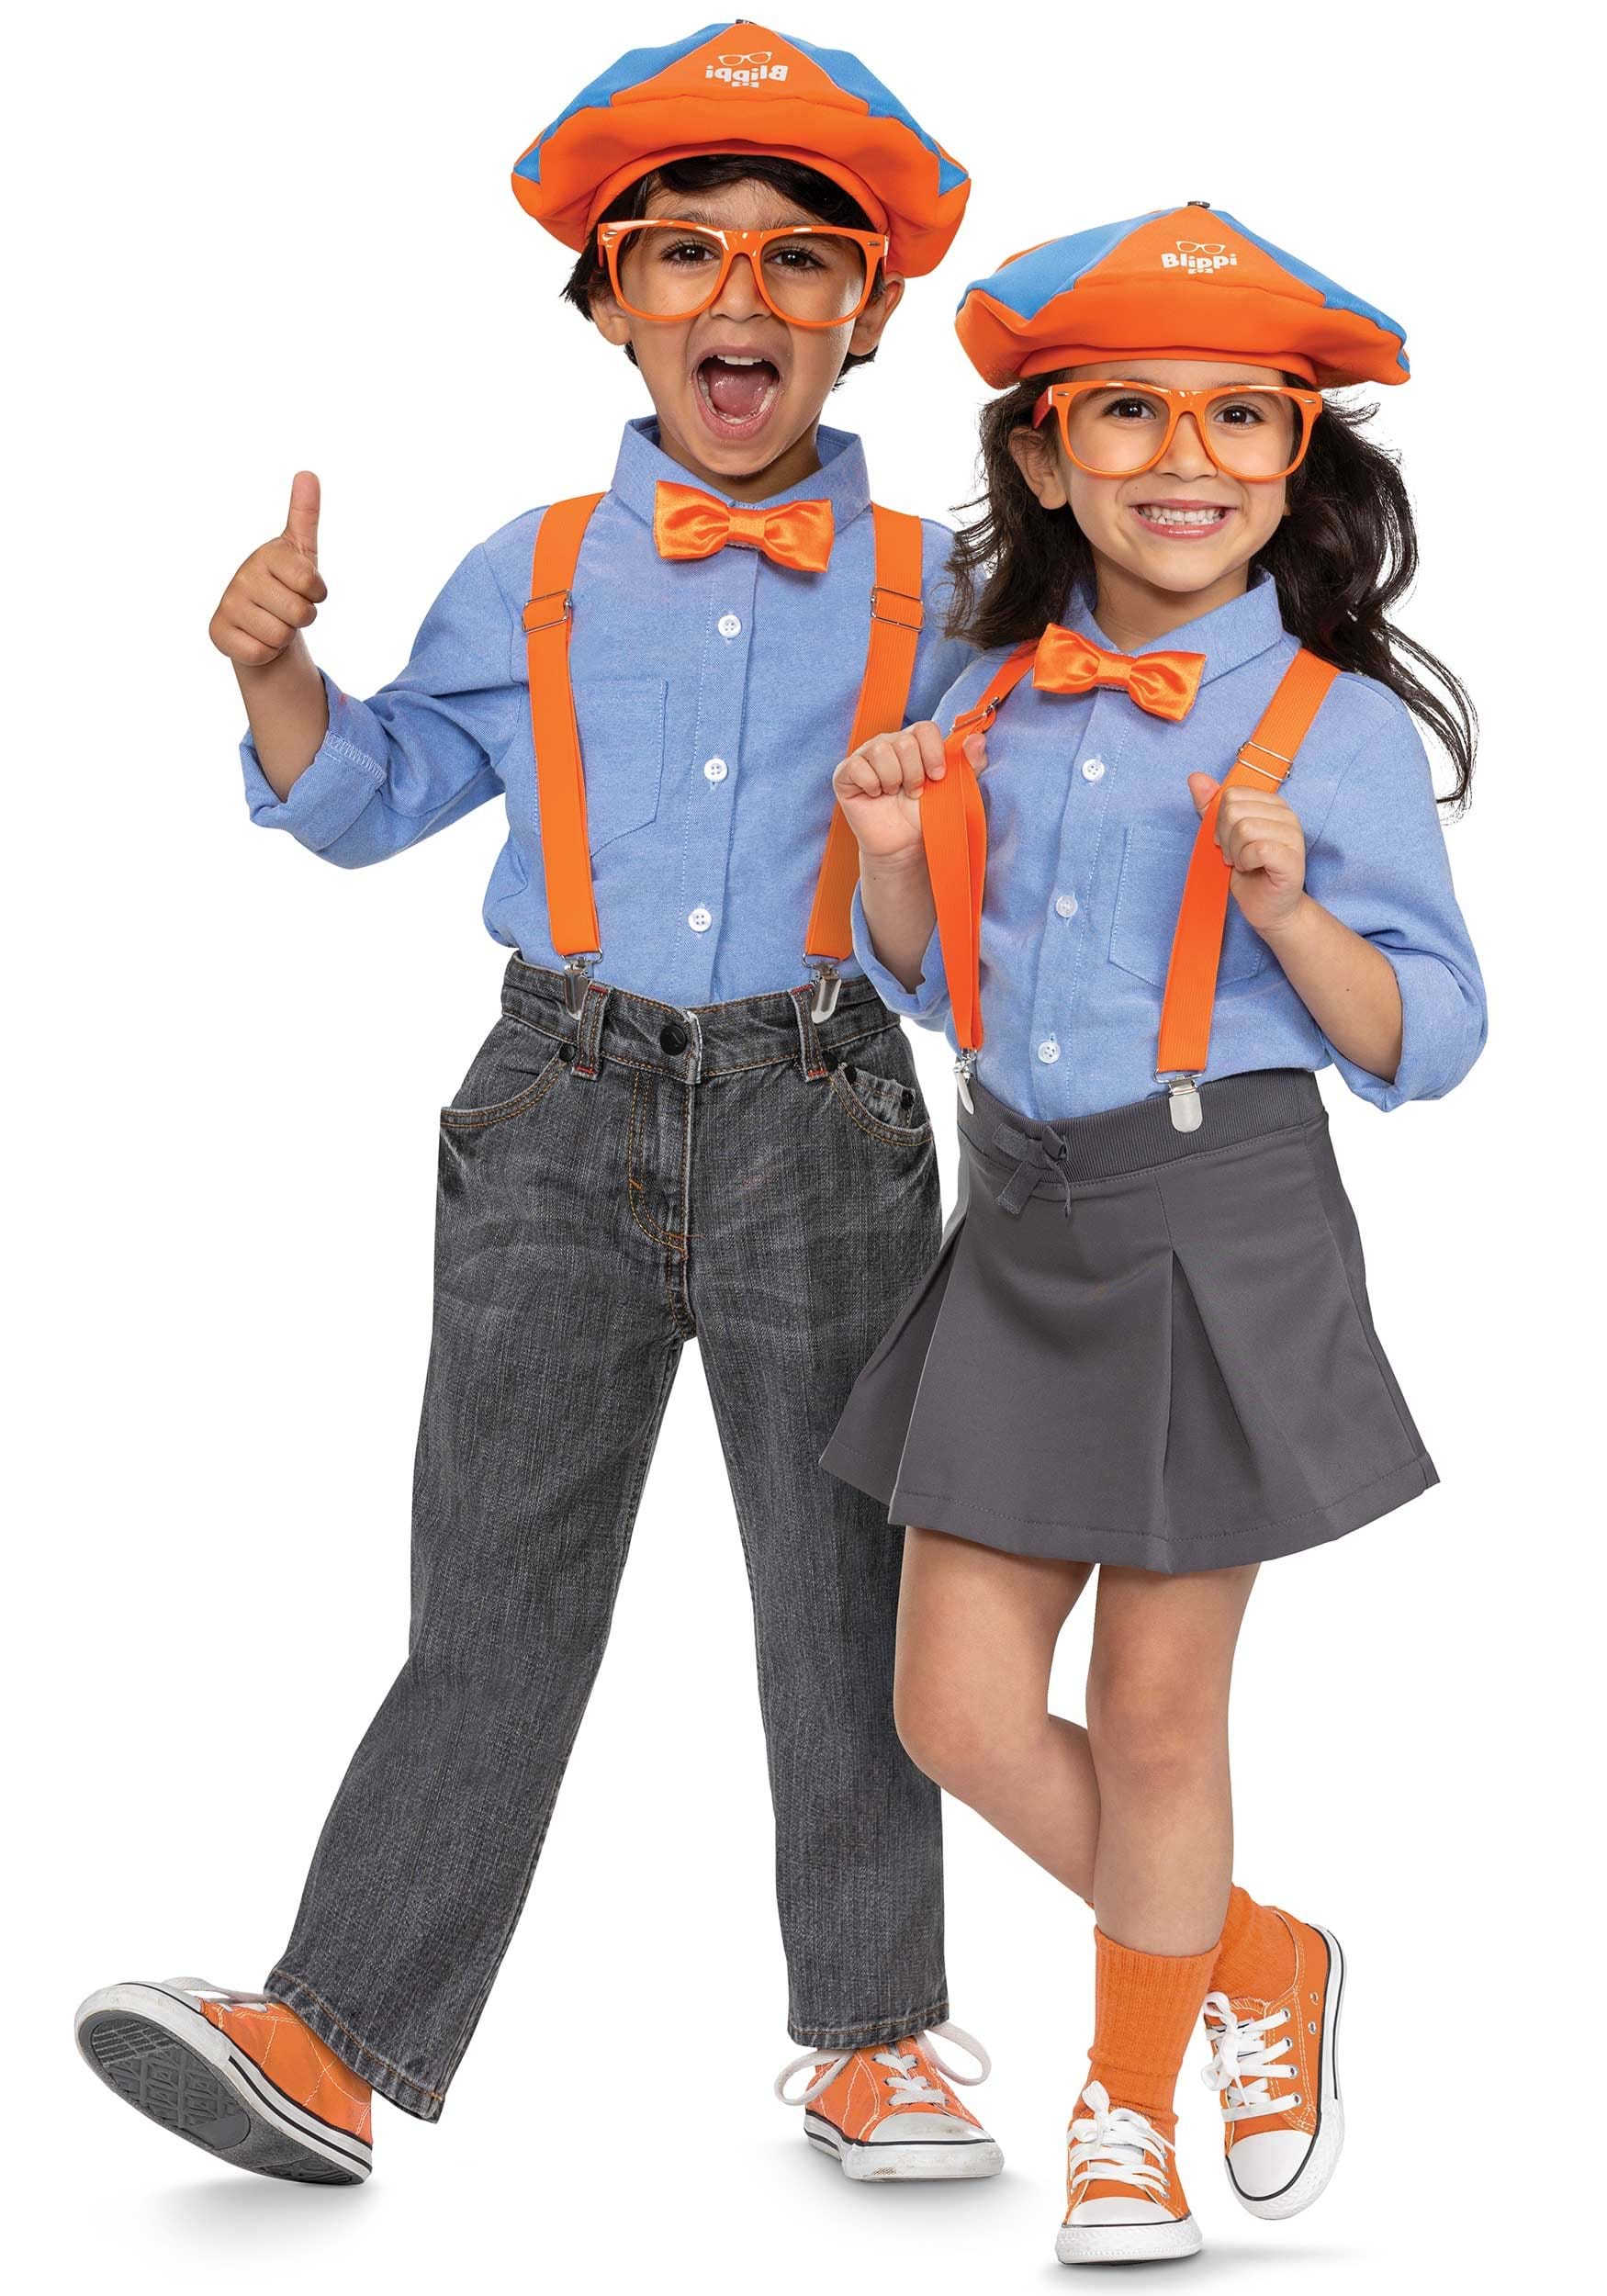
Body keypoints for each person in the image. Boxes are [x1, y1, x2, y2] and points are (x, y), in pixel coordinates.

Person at [74, 22, 1003, 2189]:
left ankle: (877, 2035)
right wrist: (274, 675)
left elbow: (961, 927)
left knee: (844, 1588)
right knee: (492, 1579)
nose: (738, 296)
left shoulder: (945, 597)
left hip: (825, 1109)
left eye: (796, 258)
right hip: (552, 1106)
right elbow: (374, 794)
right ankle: (331, 2040)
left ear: (864, 316)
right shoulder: (536, 564)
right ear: (609, 305)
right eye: (682, 252)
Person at [824, 204, 1485, 2262]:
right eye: (1125, 411)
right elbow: (931, 982)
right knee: (949, 1710)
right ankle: (1252, 1952)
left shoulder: (1335, 726)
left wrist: (1288, 909)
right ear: (1042, 457)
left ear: (1292, 462)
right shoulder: (986, 695)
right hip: (1019, 1215)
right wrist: (886, 852)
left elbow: (1430, 1036)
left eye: (1239, 417)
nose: (1182, 457)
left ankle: (1126, 2112)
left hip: (1217, 1219)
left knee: (1159, 1709)